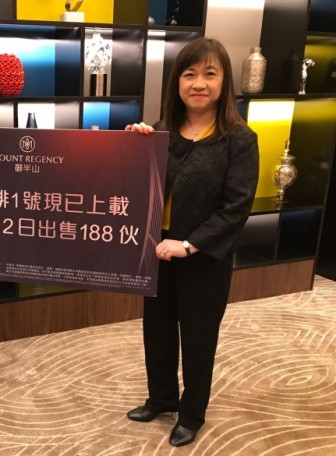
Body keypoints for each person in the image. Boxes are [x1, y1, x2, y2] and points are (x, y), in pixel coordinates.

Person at [124, 37, 259, 446]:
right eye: (189, 74)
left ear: (224, 81)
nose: (199, 83)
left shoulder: (239, 139)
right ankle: (161, 398)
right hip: (157, 250)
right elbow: (135, 189)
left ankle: (192, 413)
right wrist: (132, 147)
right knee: (157, 330)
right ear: (177, 83)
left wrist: (188, 245)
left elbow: (236, 208)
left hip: (204, 257)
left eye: (209, 74)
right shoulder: (161, 131)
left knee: (198, 338)